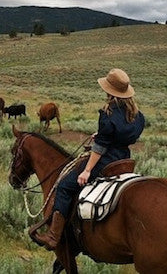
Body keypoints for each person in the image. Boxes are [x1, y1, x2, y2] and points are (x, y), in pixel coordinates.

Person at [31, 68, 144, 250]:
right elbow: (125, 135)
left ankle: (53, 236)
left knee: (65, 186)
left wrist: (87, 170)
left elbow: (99, 149)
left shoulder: (108, 113)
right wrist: (103, 134)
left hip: (106, 160)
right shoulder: (137, 115)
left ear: (109, 91)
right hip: (124, 158)